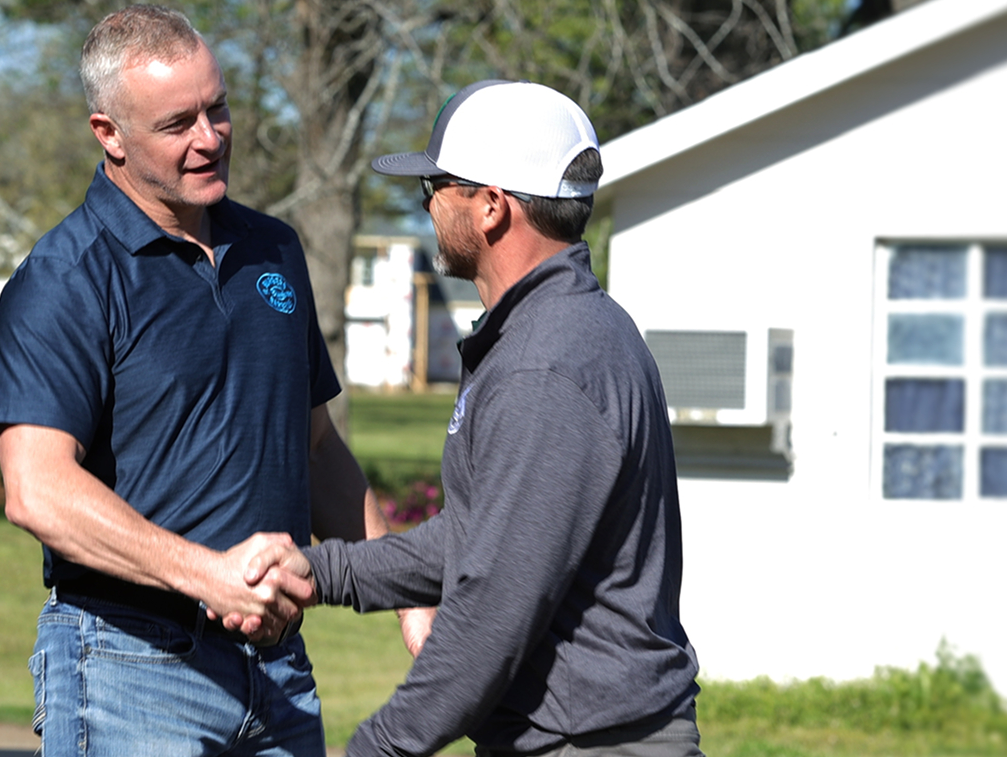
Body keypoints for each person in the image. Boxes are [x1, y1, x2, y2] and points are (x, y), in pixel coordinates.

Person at [0, 4, 411, 757]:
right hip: (128, 668)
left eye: (219, 109)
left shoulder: (275, 251)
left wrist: (404, 589)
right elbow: (37, 490)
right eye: (178, 123)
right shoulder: (66, 278)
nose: (210, 138)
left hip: (280, 672)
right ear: (109, 134)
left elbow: (316, 450)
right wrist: (208, 576)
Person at [244, 80, 703, 757]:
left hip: (590, 743)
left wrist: (377, 747)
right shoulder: (558, 332)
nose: (426, 205)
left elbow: (494, 612)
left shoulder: (545, 366)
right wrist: (318, 572)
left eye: (434, 186)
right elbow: (480, 536)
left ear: (491, 206)